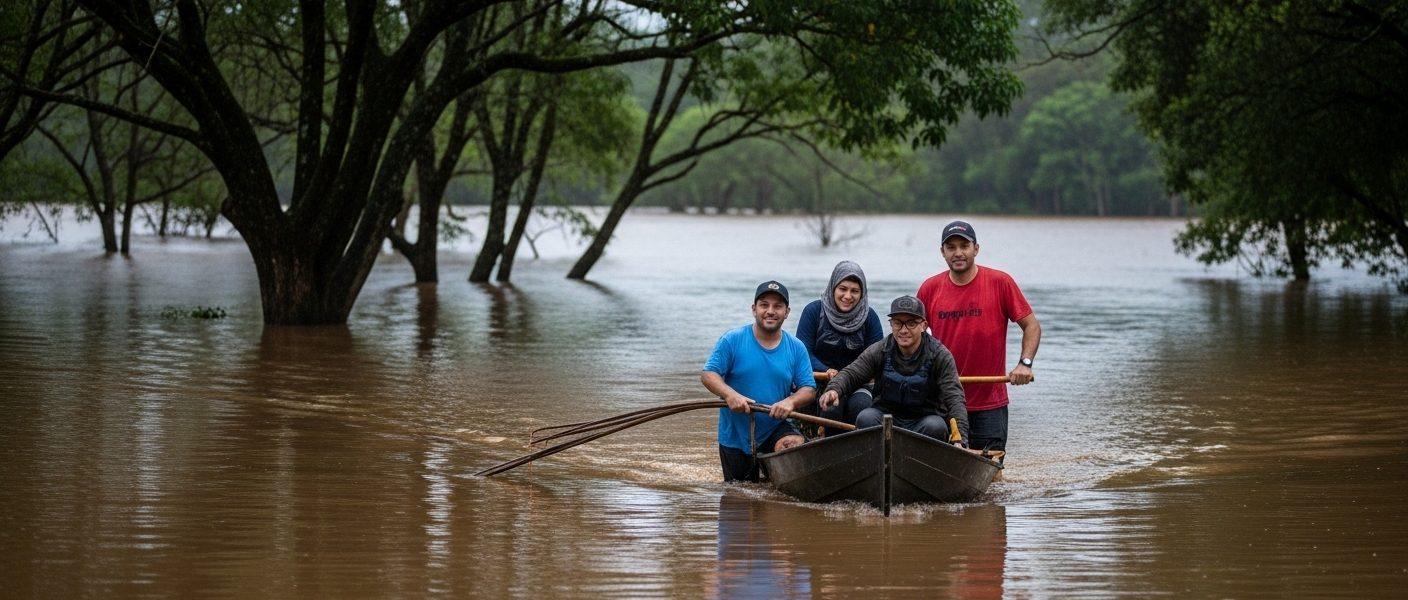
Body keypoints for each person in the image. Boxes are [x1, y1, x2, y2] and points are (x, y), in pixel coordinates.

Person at [916, 220, 1040, 455]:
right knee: (942, 465)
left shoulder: (1000, 282)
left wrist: (1024, 364)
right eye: (951, 247)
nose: (958, 252)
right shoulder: (929, 288)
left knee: (990, 477)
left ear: (976, 248)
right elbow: (911, 336)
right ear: (942, 252)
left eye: (964, 245)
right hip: (944, 400)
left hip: (989, 401)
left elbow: (1031, 326)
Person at [701, 280, 818, 482]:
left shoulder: (797, 347)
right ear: (754, 309)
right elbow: (708, 375)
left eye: (778, 306)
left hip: (776, 428)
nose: (770, 311)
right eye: (764, 305)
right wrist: (731, 395)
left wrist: (790, 401)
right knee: (739, 496)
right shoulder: (732, 339)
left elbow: (808, 388)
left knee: (795, 446)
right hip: (736, 435)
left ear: (787, 312)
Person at [818, 296, 968, 444]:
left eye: (911, 323)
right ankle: (876, 463)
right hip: (885, 416)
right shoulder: (880, 349)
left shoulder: (940, 355)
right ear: (891, 324)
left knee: (936, 426)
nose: (903, 330)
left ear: (923, 325)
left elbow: (954, 397)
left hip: (924, 420)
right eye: (897, 323)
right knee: (865, 417)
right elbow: (852, 373)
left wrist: (960, 439)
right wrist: (834, 389)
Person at [795, 260, 884, 426]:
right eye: (843, 289)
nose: (848, 296)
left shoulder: (870, 317)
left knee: (861, 408)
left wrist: (849, 376)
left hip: (857, 384)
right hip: (819, 381)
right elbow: (802, 352)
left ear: (862, 293)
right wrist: (826, 370)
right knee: (831, 408)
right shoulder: (813, 311)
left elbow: (876, 358)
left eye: (854, 291)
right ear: (833, 288)